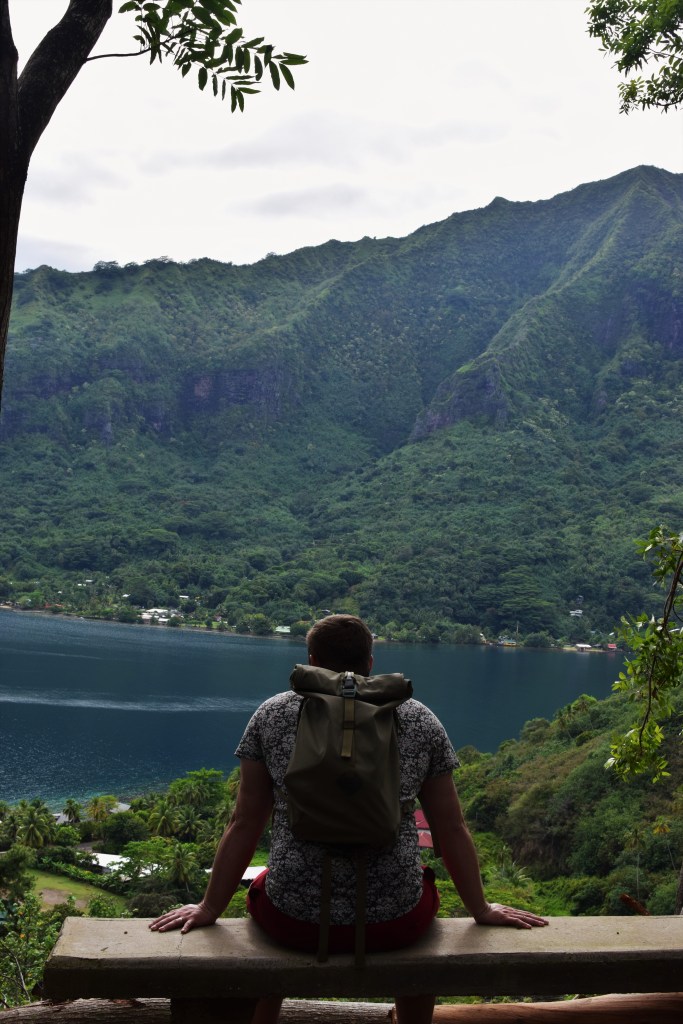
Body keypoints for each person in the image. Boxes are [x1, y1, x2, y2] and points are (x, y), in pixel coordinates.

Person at [150, 614, 547, 1024]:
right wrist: (480, 908)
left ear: (312, 659)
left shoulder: (272, 715)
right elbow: (451, 827)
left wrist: (209, 906)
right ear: (370, 662)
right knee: (423, 894)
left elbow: (245, 822)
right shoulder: (419, 719)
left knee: (268, 885)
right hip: (395, 922)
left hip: (292, 921)